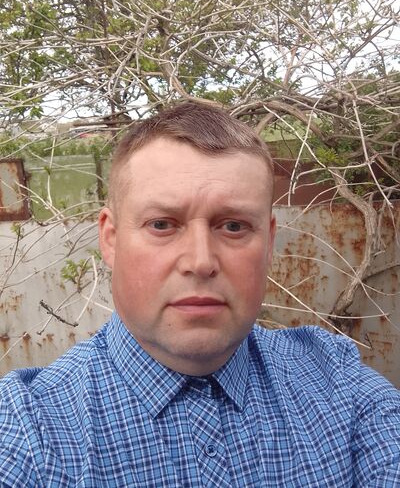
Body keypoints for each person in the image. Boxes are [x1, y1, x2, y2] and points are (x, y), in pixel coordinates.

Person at [0, 102, 399, 488]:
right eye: (162, 224)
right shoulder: (29, 431)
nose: (201, 261)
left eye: (233, 226)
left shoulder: (339, 389)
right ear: (111, 239)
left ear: (269, 240)